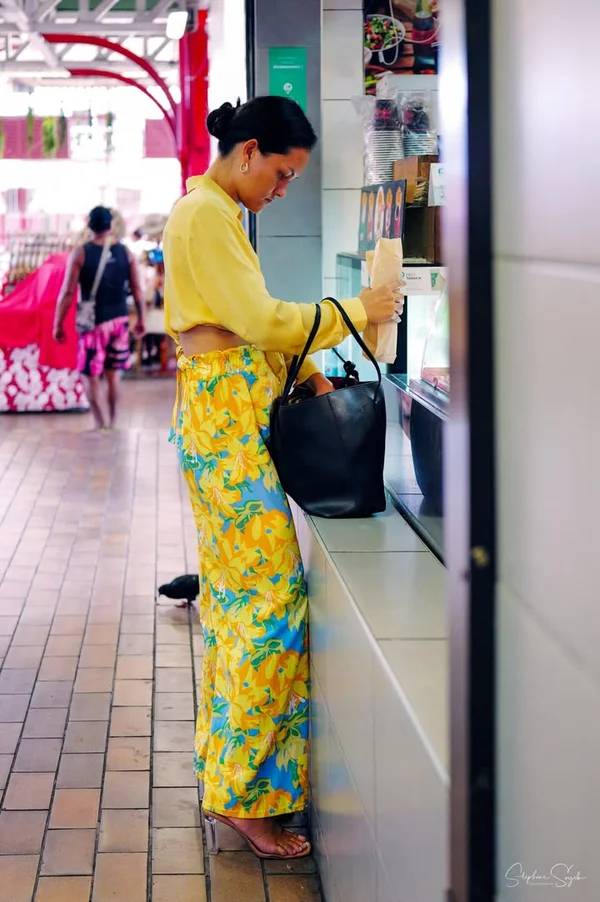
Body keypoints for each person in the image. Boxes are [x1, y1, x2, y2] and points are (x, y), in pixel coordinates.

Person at [163, 96, 403, 860]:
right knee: (264, 607)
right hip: (225, 421)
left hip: (228, 411)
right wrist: (354, 314)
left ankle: (239, 783)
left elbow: (241, 328)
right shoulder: (205, 215)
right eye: (283, 173)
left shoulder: (216, 214)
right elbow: (261, 320)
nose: (283, 189)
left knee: (245, 605)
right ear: (250, 150)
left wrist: (298, 378)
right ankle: (242, 795)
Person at [53, 206, 145, 430]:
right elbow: (137, 288)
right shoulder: (125, 253)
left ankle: (99, 422)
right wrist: (141, 318)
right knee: (114, 374)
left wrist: (58, 323)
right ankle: (112, 421)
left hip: (94, 324)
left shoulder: (81, 253)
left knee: (90, 374)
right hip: (120, 321)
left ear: (89, 227)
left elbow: (67, 292)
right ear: (110, 226)